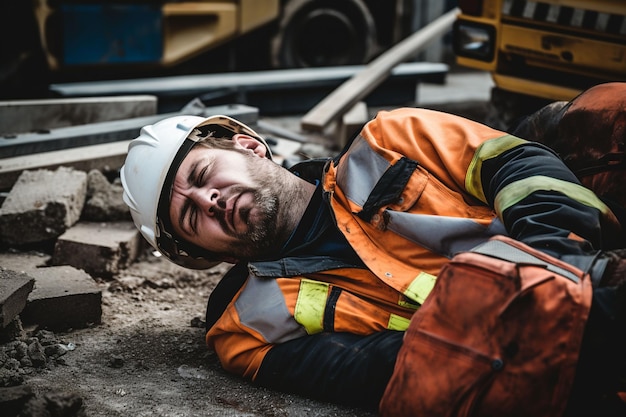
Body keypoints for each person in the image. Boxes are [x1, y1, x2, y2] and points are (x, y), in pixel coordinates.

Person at [121, 82, 626, 416]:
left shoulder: (393, 138)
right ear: (199, 251)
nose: (208, 202)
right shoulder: (246, 331)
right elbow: (385, 373)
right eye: (189, 218)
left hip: (581, 258)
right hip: (509, 358)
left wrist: (553, 265)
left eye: (202, 176)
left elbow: (521, 169)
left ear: (248, 146)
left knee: (604, 112)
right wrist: (523, 320)